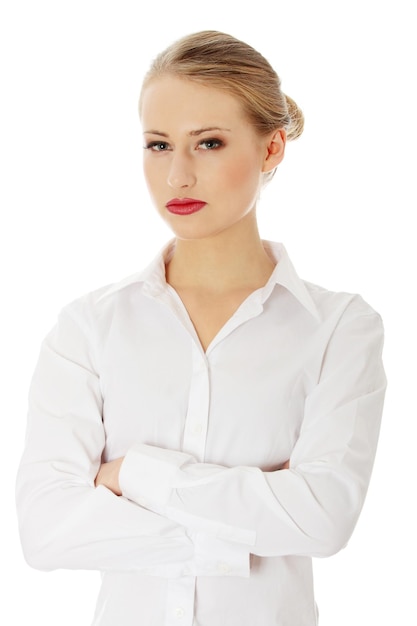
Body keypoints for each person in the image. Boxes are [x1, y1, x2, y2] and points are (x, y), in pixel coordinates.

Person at [16, 30, 386, 626]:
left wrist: (130, 474)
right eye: (158, 145)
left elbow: (322, 519)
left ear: (272, 149)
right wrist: (248, 522)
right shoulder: (89, 327)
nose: (177, 177)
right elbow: (46, 530)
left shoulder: (340, 329)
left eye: (208, 143)